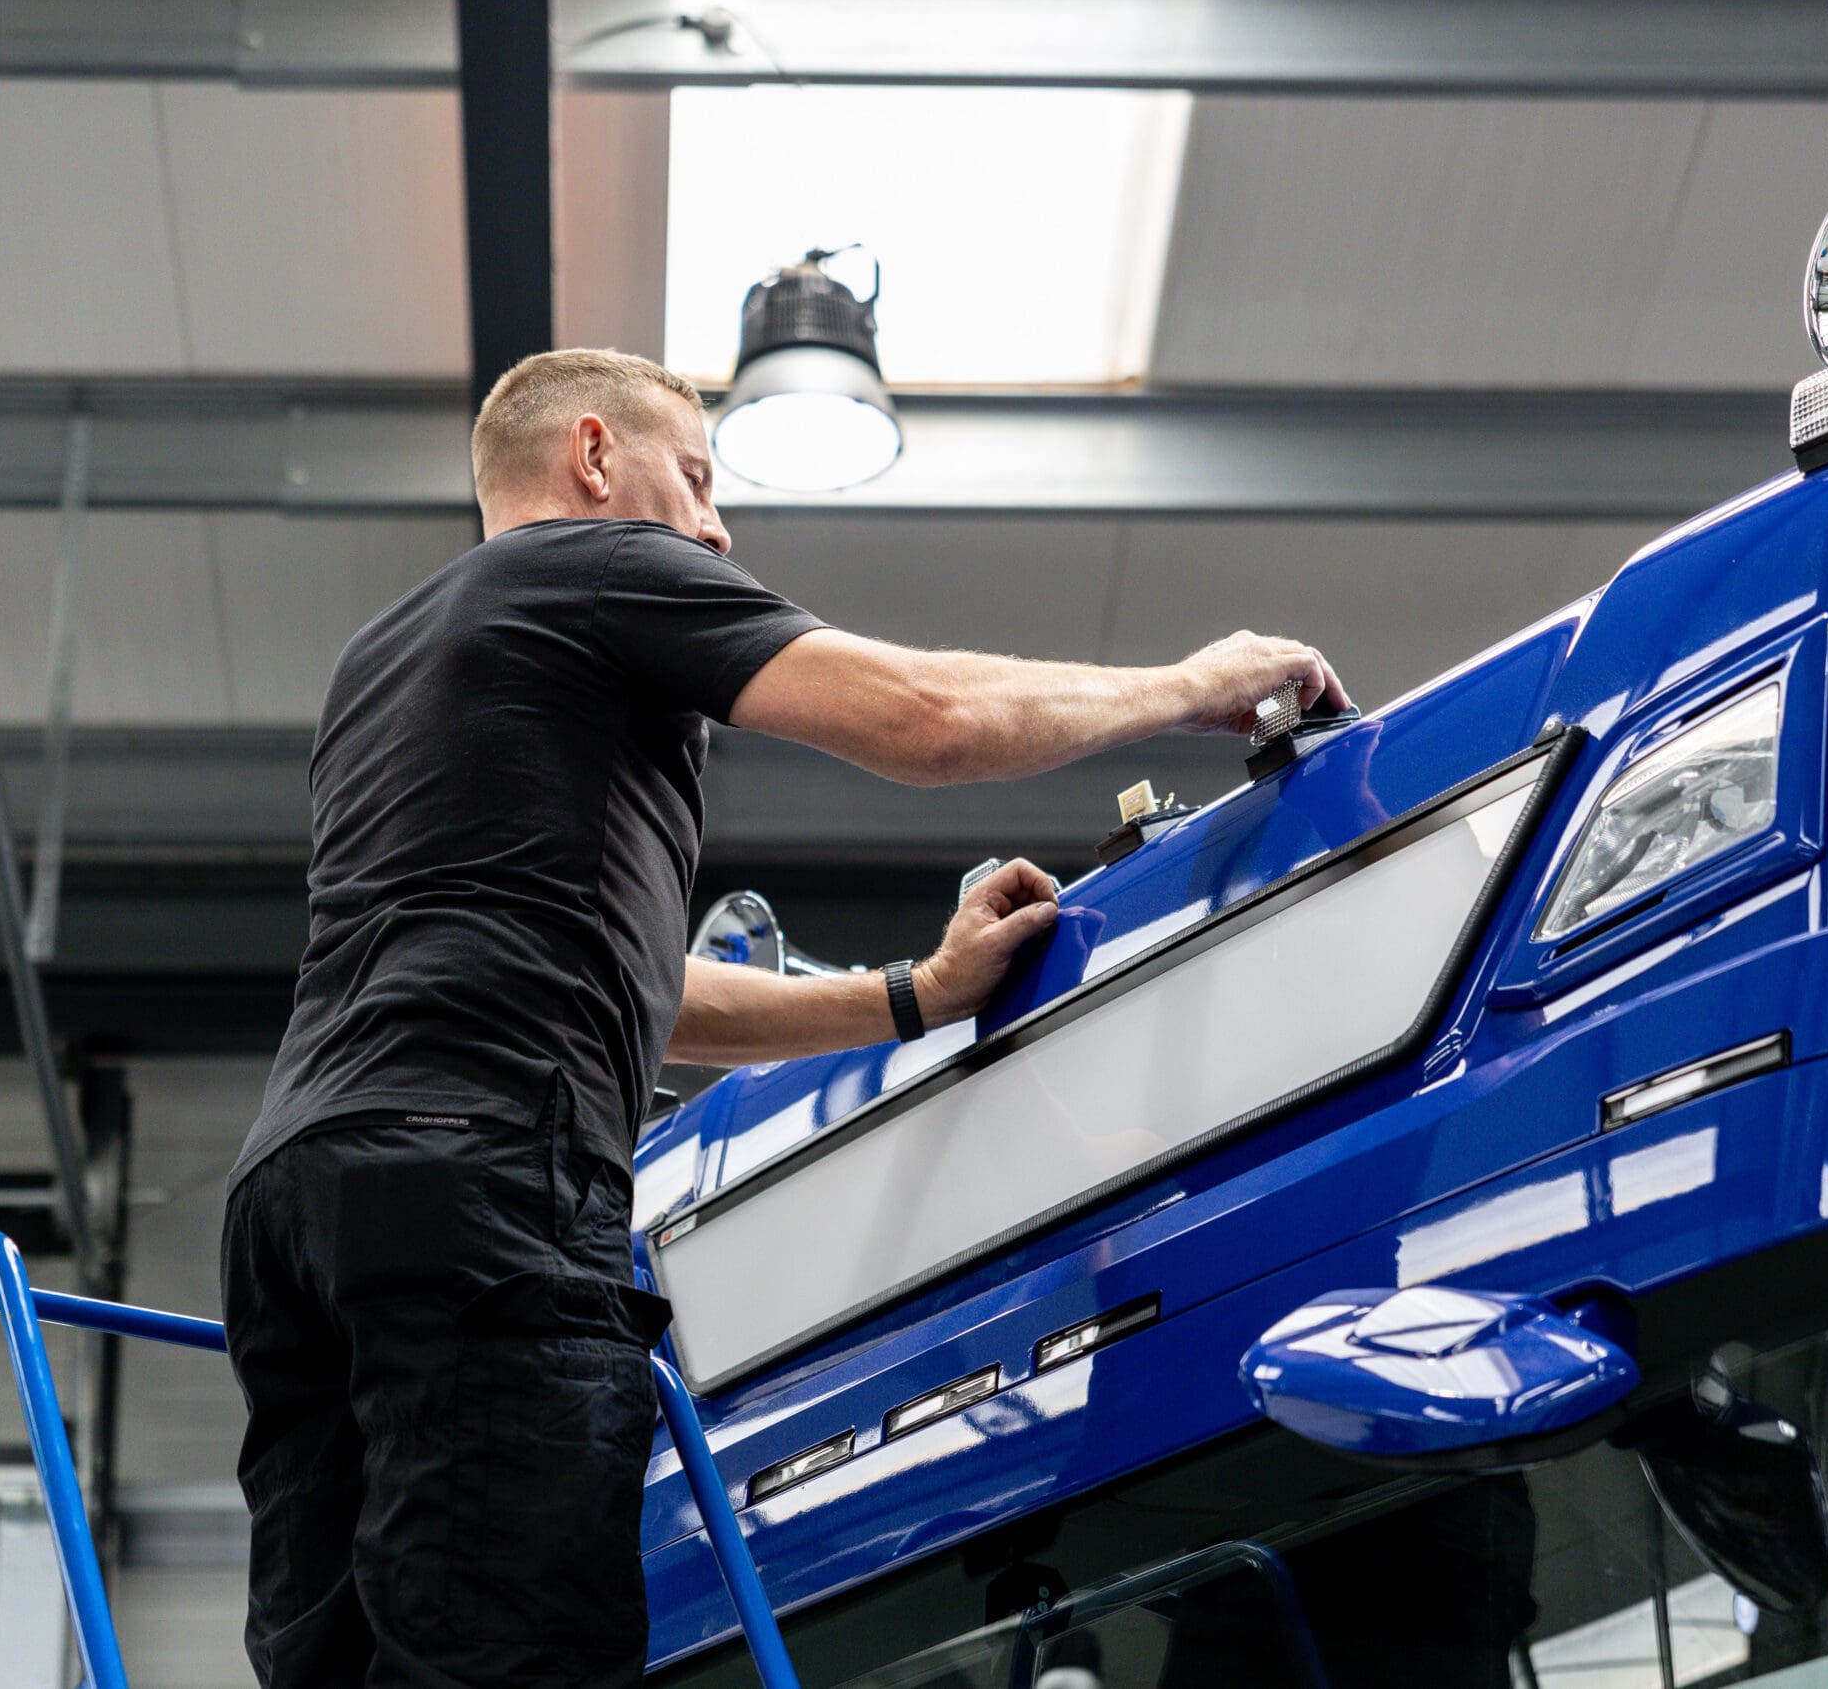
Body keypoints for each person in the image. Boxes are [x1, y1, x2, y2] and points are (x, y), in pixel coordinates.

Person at [221, 348, 1350, 1689]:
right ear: (593, 458)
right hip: (483, 1179)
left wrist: (908, 1000)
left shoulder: (383, 663)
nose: (715, 525)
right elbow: (930, 720)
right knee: (513, 1649)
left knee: (333, 1659)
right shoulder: (596, 569)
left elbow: (645, 983)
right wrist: (1193, 681)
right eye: (695, 477)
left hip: (294, 1210)